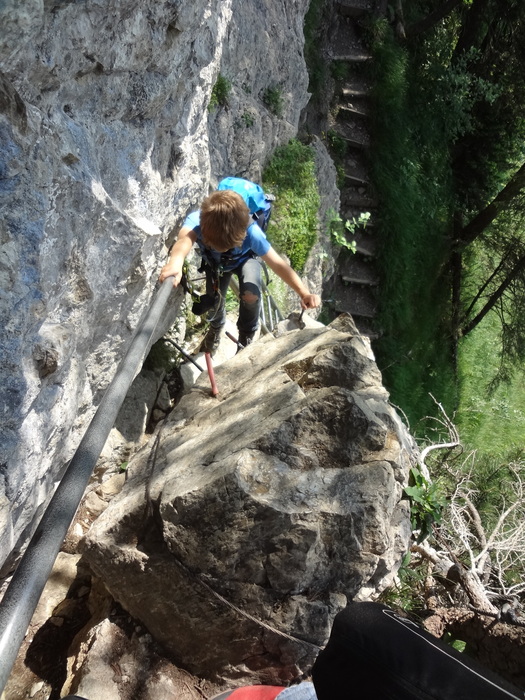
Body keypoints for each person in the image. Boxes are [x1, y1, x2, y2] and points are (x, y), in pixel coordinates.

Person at [159, 188, 321, 354]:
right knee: (214, 300)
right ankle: (216, 328)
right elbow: (184, 240)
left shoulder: (252, 233)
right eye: (217, 246)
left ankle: (246, 336)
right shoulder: (198, 221)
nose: (222, 249)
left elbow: (278, 264)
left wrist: (304, 293)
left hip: (246, 259)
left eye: (228, 246)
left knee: (251, 295)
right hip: (216, 264)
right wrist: (176, 262)